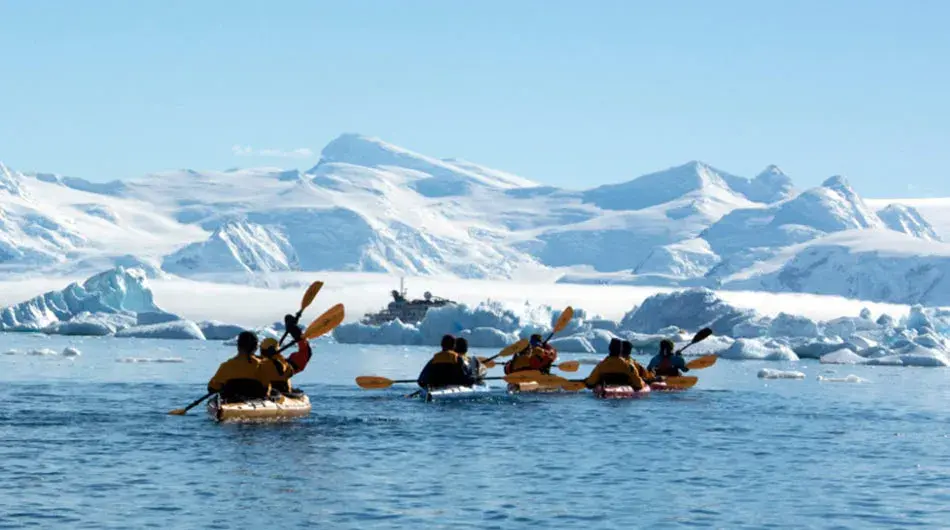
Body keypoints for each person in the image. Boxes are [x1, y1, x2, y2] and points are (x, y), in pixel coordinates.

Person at [208, 331, 269, 401]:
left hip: (231, 401)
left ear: (238, 346)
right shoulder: (262, 366)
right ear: (255, 347)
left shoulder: (226, 366)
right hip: (255, 402)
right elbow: (266, 387)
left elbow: (212, 387)